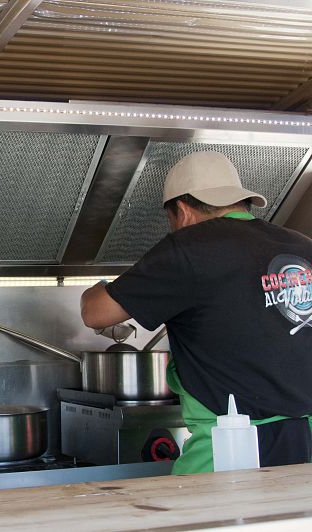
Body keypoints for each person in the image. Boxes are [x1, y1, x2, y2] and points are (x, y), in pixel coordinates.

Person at [80, 150, 312, 474]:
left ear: (183, 212)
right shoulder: (301, 246)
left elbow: (96, 313)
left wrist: (97, 288)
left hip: (232, 447)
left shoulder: (190, 246)